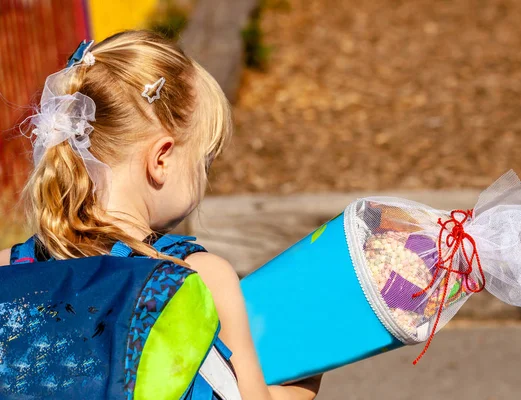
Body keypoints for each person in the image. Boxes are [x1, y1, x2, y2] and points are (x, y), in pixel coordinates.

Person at [0, 30, 321, 400]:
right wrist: (303, 385)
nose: (205, 177)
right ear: (162, 159)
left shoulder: (12, 268)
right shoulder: (199, 277)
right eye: (205, 161)